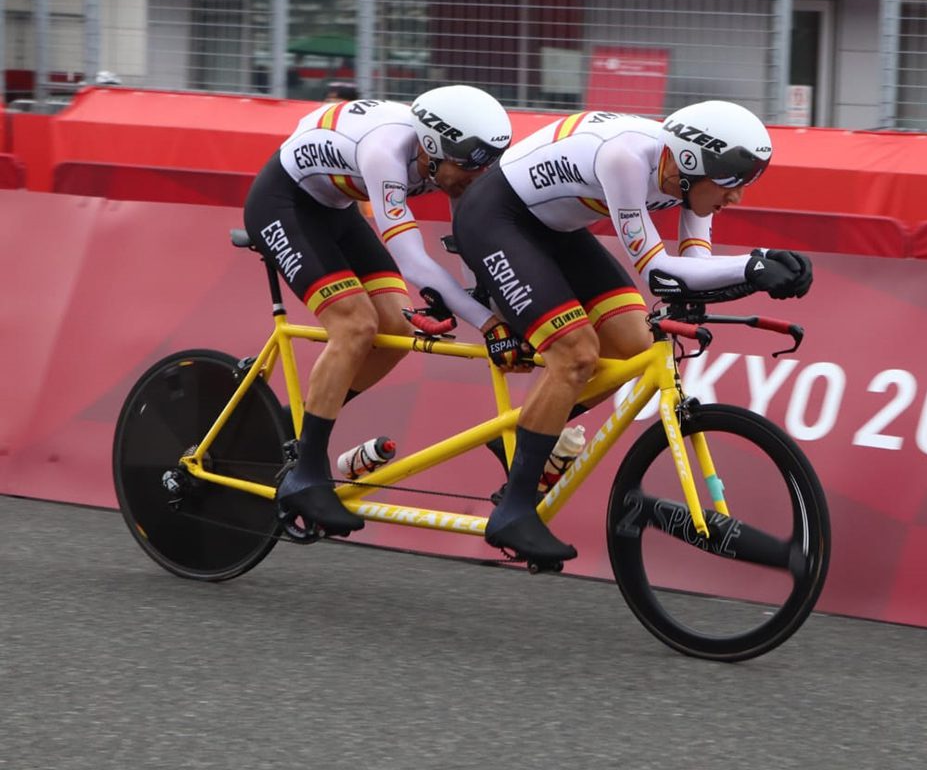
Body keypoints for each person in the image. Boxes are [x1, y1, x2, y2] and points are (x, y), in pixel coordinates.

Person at [452, 101, 813, 562]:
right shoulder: (626, 157)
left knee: (633, 347)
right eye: (729, 184)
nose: (736, 197)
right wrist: (752, 267)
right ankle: (514, 511)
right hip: (495, 220)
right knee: (577, 353)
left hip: (555, 230)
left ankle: (525, 434)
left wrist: (762, 268)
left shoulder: (687, 179)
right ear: (689, 162)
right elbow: (659, 274)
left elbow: (696, 267)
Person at [243, 84, 515, 536]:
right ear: (431, 148)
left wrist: (484, 298)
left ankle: (296, 424)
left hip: (334, 206)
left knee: (393, 330)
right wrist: (487, 323)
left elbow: (468, 232)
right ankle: (305, 474)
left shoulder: (450, 160)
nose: (475, 177)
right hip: (283, 203)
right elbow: (412, 260)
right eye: (468, 167)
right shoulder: (385, 152)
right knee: (355, 326)